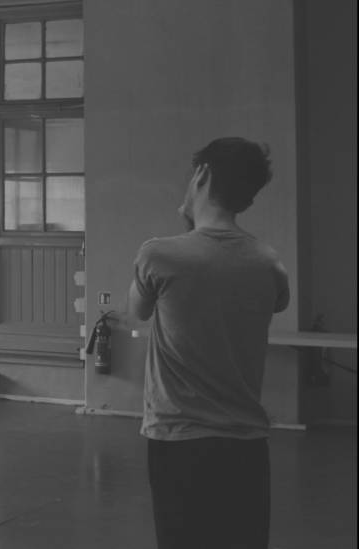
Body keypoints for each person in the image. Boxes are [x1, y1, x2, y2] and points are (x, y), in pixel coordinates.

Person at [128, 138, 288, 549]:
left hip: (178, 443)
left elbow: (137, 312)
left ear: (201, 174)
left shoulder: (158, 255)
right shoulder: (268, 263)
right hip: (248, 446)